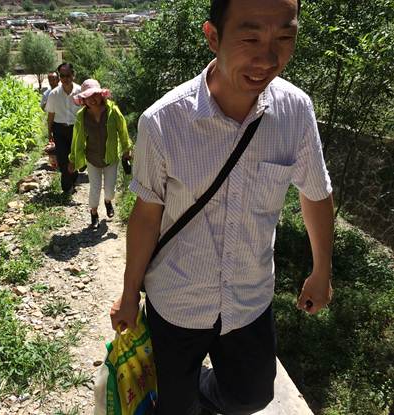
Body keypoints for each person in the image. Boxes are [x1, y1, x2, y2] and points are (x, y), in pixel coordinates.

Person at [110, 0, 335, 414]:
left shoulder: (295, 112)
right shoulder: (163, 122)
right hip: (177, 299)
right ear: (213, 37)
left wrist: (322, 270)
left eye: (284, 38)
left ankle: (198, 389)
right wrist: (128, 294)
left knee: (252, 396)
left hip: (249, 298)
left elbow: (316, 191)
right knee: (175, 407)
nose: (268, 58)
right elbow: (146, 215)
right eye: (251, 38)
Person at [68, 79, 133, 229]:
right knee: (95, 188)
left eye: (95, 95)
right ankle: (94, 213)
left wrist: (127, 149)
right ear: (83, 100)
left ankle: (108, 201)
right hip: (92, 158)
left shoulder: (113, 111)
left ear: (101, 95)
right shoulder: (81, 116)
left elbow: (123, 131)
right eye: (87, 97)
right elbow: (77, 139)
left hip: (111, 158)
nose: (92, 99)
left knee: (110, 190)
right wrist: (73, 159)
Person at [45, 63, 81, 194]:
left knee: (74, 158)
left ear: (73, 75)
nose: (65, 79)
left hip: (76, 129)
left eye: (68, 75)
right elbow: (51, 115)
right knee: (62, 159)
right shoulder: (54, 94)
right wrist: (49, 133)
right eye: (62, 76)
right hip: (59, 130)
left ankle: (73, 177)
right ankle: (67, 188)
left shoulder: (80, 92)